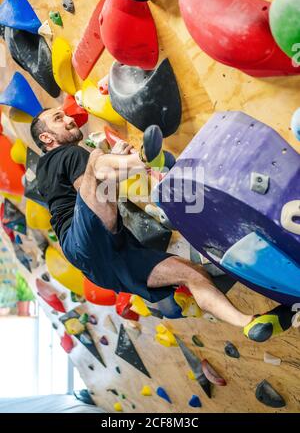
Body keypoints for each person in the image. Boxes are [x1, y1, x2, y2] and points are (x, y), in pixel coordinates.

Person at [32, 107, 293, 342]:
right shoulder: (59, 157)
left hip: (106, 261)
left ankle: (248, 324)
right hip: (81, 241)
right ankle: (144, 160)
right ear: (46, 138)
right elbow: (94, 181)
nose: (68, 119)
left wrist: (116, 162)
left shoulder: (60, 172)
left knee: (191, 274)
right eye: (58, 118)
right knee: (94, 159)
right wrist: (125, 162)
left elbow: (98, 191)